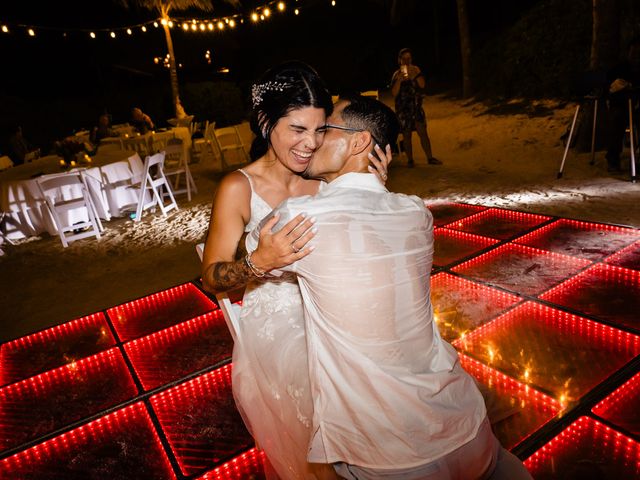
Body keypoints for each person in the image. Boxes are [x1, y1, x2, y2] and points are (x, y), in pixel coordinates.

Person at [246, 95, 532, 480]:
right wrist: (373, 184)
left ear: (359, 142)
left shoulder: (299, 218)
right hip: (468, 426)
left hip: (390, 456)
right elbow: (367, 226)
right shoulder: (416, 212)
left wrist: (253, 262)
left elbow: (234, 265)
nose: (312, 140)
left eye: (325, 128)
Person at [201, 62, 391, 479]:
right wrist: (258, 263)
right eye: (298, 129)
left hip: (337, 306)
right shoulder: (238, 187)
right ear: (267, 123)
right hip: (279, 321)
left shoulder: (328, 176)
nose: (310, 144)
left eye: (321, 130)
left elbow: (367, 250)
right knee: (323, 382)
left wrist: (375, 194)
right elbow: (210, 275)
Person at [390, 47, 442, 167]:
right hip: (403, 109)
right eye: (404, 59)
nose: (407, 61)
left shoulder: (416, 69)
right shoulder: (396, 74)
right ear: (399, 60)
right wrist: (399, 80)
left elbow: (422, 85)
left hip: (416, 106)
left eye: (409, 58)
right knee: (407, 134)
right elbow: (394, 93)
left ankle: (430, 158)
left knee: (422, 132)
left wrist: (415, 75)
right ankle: (410, 160)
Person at [605, 37, 640, 173]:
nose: (636, 56)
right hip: (621, 106)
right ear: (628, 53)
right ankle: (613, 160)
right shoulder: (618, 69)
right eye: (633, 53)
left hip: (638, 107)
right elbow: (609, 88)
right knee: (617, 121)